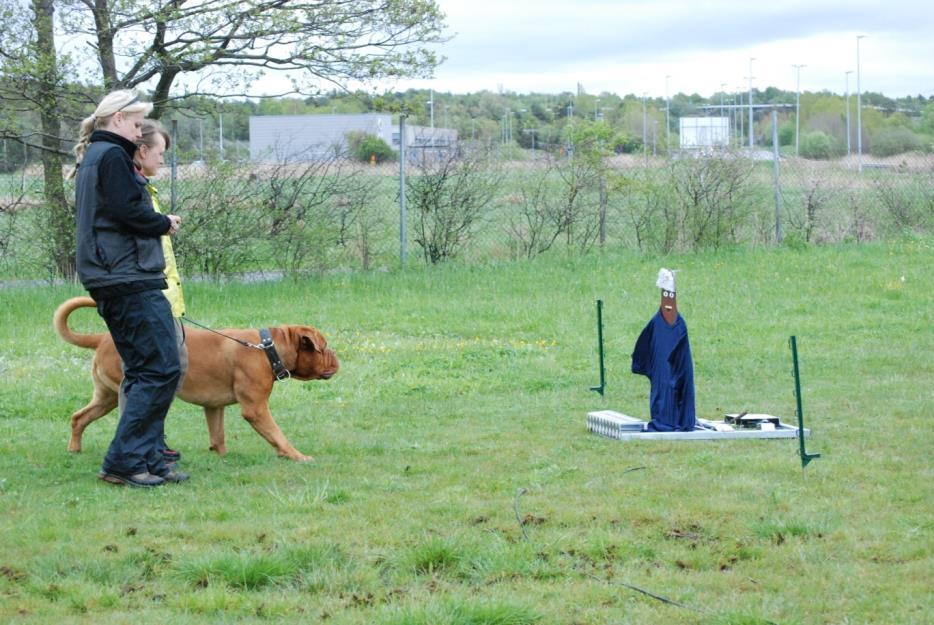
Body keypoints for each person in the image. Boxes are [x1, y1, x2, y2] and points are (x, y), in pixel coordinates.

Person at [72, 90, 187, 487]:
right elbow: (126, 211)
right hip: (124, 277)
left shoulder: (97, 156)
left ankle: (149, 457)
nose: (139, 133)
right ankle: (124, 461)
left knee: (144, 369)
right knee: (161, 367)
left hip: (116, 275)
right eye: (137, 124)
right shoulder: (112, 157)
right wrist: (162, 222)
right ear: (118, 119)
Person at [132, 119, 187, 466]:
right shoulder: (133, 191)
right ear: (141, 151)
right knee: (147, 372)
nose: (163, 160)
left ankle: (151, 439)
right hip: (150, 294)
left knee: (174, 366)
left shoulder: (146, 189)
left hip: (167, 296)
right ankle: (140, 446)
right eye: (160, 153)